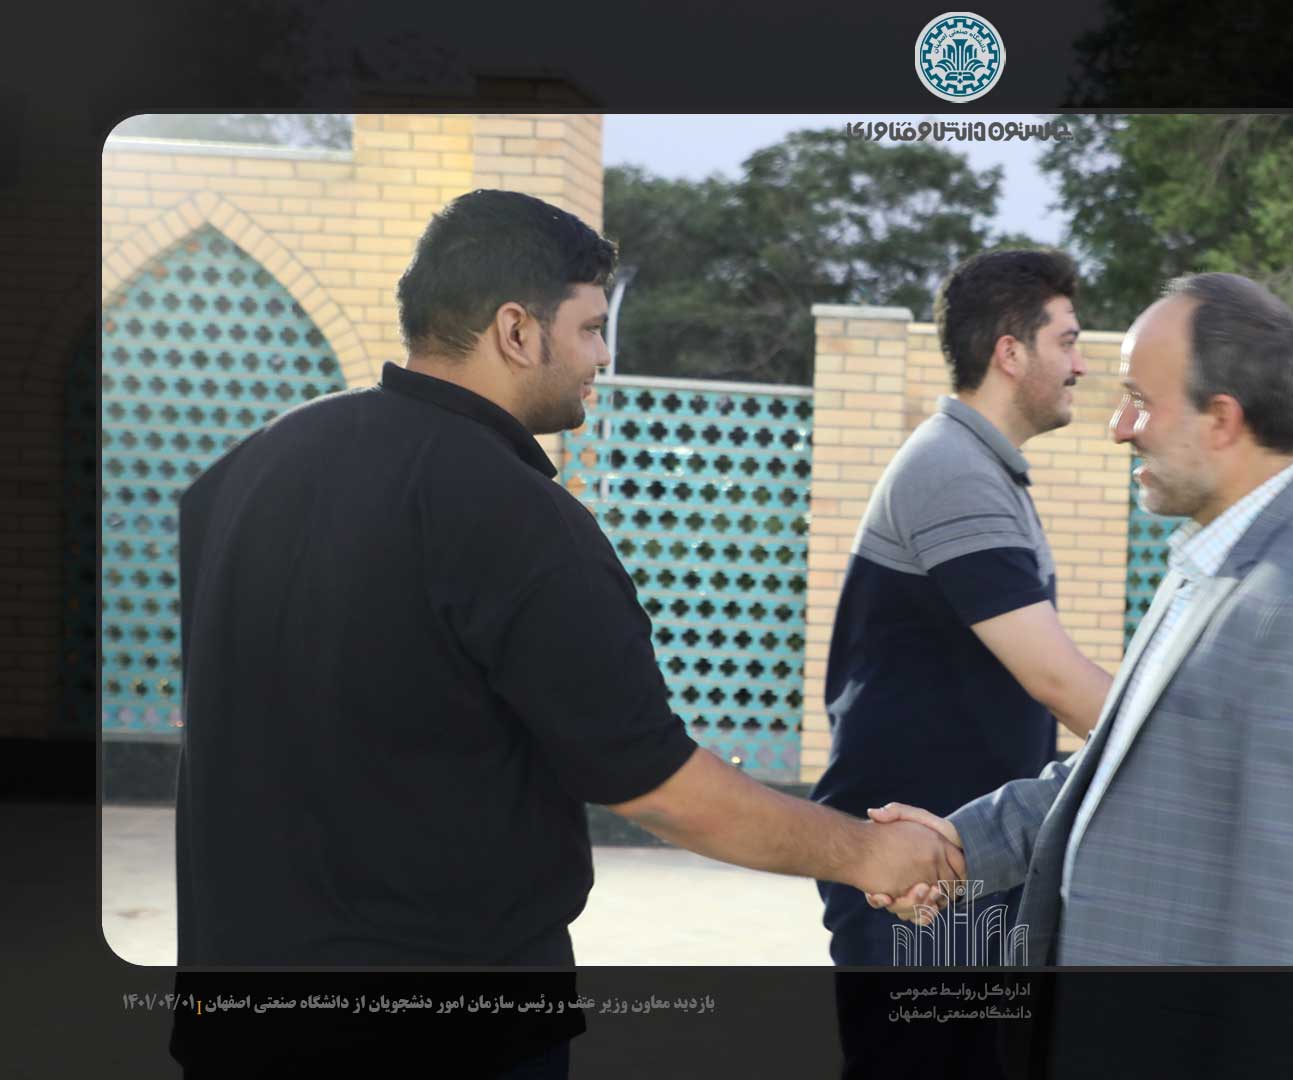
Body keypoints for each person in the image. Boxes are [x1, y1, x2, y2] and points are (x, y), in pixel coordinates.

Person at [168, 190, 961, 1076]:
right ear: (516, 330)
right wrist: (869, 853)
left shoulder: (248, 470)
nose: (604, 355)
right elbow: (655, 785)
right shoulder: (513, 512)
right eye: (589, 327)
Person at [868, 273, 1293, 1077]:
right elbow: (1124, 769)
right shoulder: (1211, 563)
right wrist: (959, 843)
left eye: (1139, 401)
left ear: (1221, 419)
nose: (1120, 428)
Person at [807, 249, 1113, 1077]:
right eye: (1068, 341)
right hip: (909, 870)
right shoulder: (952, 470)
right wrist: (1181, 758)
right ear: (1010, 352)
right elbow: (1055, 678)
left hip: (959, 860)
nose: (1082, 365)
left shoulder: (983, 469)